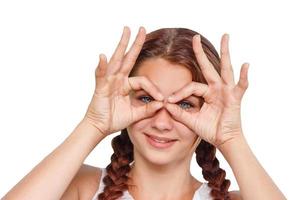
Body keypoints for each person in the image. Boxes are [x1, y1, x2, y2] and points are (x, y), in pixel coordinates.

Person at [2, 26, 286, 200]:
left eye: (185, 104)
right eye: (147, 98)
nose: (162, 122)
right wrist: (94, 124)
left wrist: (231, 138)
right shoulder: (82, 188)